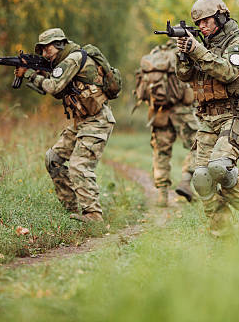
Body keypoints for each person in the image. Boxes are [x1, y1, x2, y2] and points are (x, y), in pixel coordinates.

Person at [175, 0, 239, 236]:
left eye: (206, 21)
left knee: (219, 167)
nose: (202, 26)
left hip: (236, 116)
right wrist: (184, 54)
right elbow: (184, 76)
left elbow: (230, 72)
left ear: (221, 17)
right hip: (207, 119)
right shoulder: (205, 45)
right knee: (201, 178)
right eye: (199, 23)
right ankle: (222, 230)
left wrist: (198, 51)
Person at [15, 28, 116, 222]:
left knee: (79, 165)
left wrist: (30, 74)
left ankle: (93, 215)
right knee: (53, 158)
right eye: (41, 50)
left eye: (47, 49)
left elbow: (53, 87)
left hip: (97, 120)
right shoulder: (64, 62)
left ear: (60, 44)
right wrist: (39, 74)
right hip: (82, 121)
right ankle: (70, 209)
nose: (45, 54)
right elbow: (56, 91)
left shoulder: (73, 59)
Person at [135, 39, 198, 206]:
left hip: (158, 112)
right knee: (198, 145)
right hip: (182, 111)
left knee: (161, 153)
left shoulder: (153, 57)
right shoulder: (182, 55)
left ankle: (162, 195)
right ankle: (186, 181)